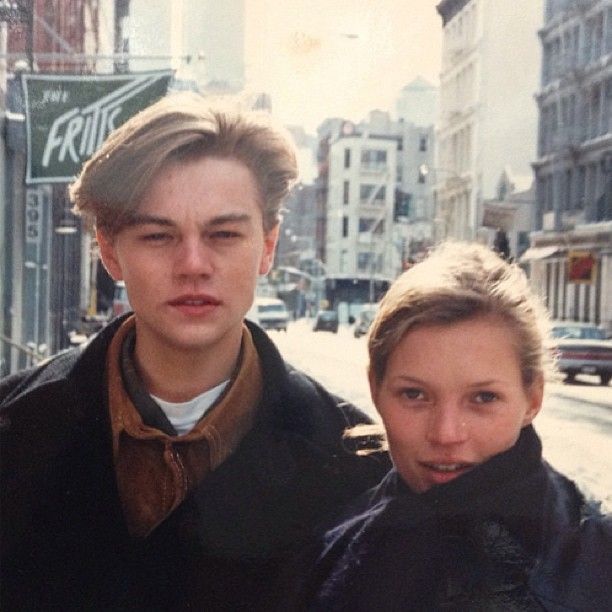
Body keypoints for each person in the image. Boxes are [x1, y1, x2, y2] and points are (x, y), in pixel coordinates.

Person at [0, 93, 389, 611]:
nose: (193, 264)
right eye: (159, 235)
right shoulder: (14, 428)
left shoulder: (359, 464)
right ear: (110, 252)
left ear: (267, 247)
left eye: (223, 234)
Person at [296, 241, 611, 611]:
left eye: (483, 398)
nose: (446, 434)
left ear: (533, 398)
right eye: (415, 395)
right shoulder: (324, 549)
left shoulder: (598, 562)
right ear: (375, 390)